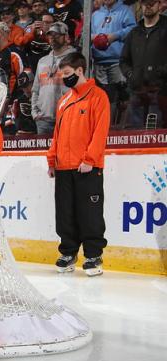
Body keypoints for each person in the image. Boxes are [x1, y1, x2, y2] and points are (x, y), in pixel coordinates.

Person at [46, 52, 109, 277]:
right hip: (64, 167)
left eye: (68, 74)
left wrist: (90, 160)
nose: (64, 78)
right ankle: (68, 252)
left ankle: (93, 256)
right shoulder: (64, 101)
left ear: (80, 71)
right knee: (65, 213)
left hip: (87, 168)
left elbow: (100, 132)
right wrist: (52, 159)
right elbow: (57, 133)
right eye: (62, 74)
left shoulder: (98, 96)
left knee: (89, 213)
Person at [120, 0, 167, 129]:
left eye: (152, 2)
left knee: (157, 138)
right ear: (140, 5)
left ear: (159, 4)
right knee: (134, 136)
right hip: (137, 93)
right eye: (145, 3)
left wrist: (161, 73)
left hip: (161, 93)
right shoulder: (134, 33)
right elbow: (124, 60)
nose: (148, 6)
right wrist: (131, 74)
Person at [90, 0, 136, 125]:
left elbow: (133, 29)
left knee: (121, 97)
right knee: (102, 98)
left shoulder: (125, 10)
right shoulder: (95, 14)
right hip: (98, 62)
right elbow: (86, 33)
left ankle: (119, 128)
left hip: (118, 61)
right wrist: (93, 37)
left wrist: (115, 36)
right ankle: (104, 125)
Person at [31, 22, 76, 134]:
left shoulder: (75, 59)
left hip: (66, 118)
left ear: (66, 37)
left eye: (57, 35)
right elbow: (36, 90)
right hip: (43, 120)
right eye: (50, 35)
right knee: (43, 152)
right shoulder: (42, 61)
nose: (52, 38)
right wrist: (35, 113)